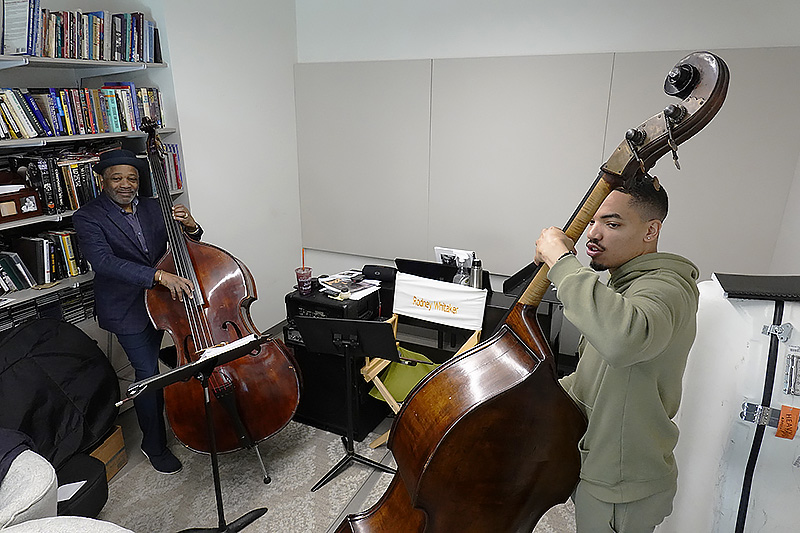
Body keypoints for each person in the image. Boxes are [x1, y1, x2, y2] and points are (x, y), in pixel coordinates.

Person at [533, 177, 699, 532]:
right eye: (592, 222)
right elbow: (593, 376)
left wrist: (562, 263)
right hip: (599, 468)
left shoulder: (666, 287)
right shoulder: (623, 286)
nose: (593, 234)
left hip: (622, 487)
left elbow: (624, 340)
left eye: (611, 223)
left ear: (650, 230)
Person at [72, 148, 203, 475]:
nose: (125, 184)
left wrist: (191, 226)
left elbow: (187, 246)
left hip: (166, 302)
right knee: (149, 375)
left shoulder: (156, 207)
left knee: (193, 359)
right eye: (117, 178)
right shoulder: (87, 216)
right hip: (127, 307)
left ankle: (198, 417)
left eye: (132, 178)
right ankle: (154, 445)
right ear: (103, 180)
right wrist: (157, 276)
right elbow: (103, 262)